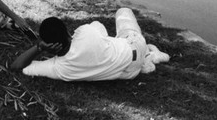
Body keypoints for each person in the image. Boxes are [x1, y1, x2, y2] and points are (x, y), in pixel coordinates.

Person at [12, 8, 170, 81]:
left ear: (47, 44)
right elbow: (98, 25)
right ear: (67, 33)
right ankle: (150, 54)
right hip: (133, 46)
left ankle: (149, 59)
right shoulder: (85, 32)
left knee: (110, 45)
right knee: (123, 11)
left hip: (128, 74)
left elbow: (16, 66)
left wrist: (39, 48)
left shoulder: (59, 69)